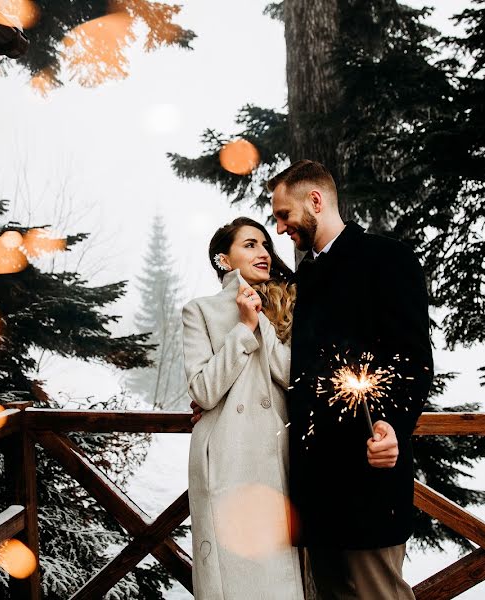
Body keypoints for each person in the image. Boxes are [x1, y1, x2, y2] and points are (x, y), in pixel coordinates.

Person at [268, 159, 433, 599]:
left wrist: (393, 426)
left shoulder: (387, 259)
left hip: (368, 475)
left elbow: (414, 359)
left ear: (315, 201)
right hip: (314, 484)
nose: (281, 229)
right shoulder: (306, 277)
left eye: (284, 214)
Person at [182, 217, 304, 599]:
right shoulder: (199, 311)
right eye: (250, 244)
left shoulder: (286, 306)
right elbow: (203, 391)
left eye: (266, 245)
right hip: (225, 456)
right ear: (223, 258)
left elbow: (292, 376)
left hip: (277, 457)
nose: (264, 253)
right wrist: (242, 329)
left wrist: (261, 323)